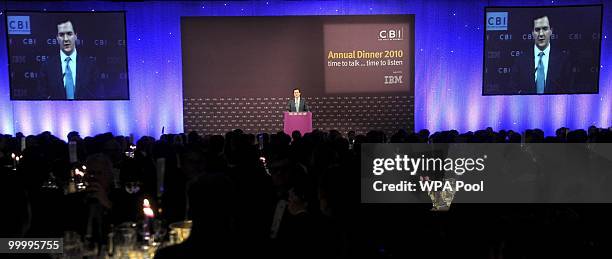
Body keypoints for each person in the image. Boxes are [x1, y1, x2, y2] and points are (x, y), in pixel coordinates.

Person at [37, 20, 100, 100]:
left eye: (69, 34)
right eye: (61, 35)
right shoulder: (47, 66)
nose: (65, 39)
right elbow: (41, 97)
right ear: (57, 38)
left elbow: (98, 95)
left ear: (76, 36)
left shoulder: (90, 65)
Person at [511, 15, 574, 94]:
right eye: (537, 30)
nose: (541, 34)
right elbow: (513, 89)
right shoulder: (521, 60)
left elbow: (569, 90)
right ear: (532, 33)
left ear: (551, 31)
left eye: (545, 29)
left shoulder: (563, 59)